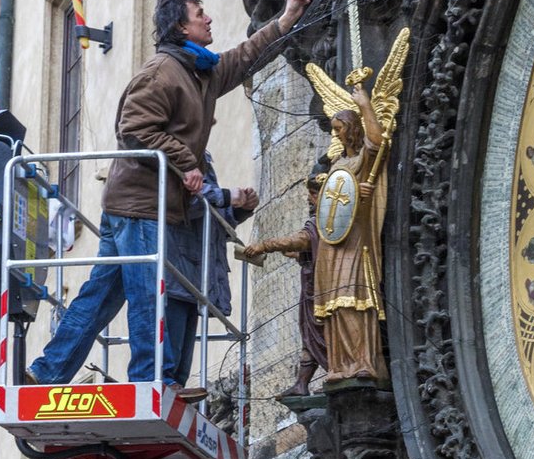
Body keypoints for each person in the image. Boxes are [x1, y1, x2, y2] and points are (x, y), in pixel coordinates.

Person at [27, 0, 311, 392]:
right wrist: (186, 163)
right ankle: (151, 383)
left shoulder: (201, 71)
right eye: (200, 14)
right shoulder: (162, 72)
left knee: (102, 295)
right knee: (148, 296)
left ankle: (47, 371)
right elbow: (134, 128)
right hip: (140, 205)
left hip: (141, 204)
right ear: (181, 26)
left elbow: (245, 57)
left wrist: (285, 19)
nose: (209, 19)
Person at [243, 85, 388, 386]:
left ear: (352, 129)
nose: (335, 135)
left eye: (339, 129)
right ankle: (340, 365)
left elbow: (378, 142)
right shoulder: (337, 165)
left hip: (354, 239)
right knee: (333, 305)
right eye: (333, 129)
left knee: (353, 298)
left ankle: (362, 361)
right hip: (332, 244)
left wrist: (365, 105)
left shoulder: (362, 159)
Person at [238, 156, 331, 402]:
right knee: (309, 335)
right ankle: (302, 384)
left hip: (325, 289)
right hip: (312, 287)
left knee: (323, 332)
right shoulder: (321, 221)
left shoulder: (325, 219)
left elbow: (301, 240)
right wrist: (288, 252)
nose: (309, 199)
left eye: (312, 193)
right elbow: (305, 247)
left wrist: (265, 246)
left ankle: (333, 372)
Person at [165, 152, 258, 389]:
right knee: (171, 344)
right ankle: (167, 383)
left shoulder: (198, 153)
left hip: (195, 271)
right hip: (176, 264)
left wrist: (239, 209)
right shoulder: (178, 150)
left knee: (183, 351)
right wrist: (226, 197)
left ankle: (176, 386)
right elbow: (181, 203)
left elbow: (212, 220)